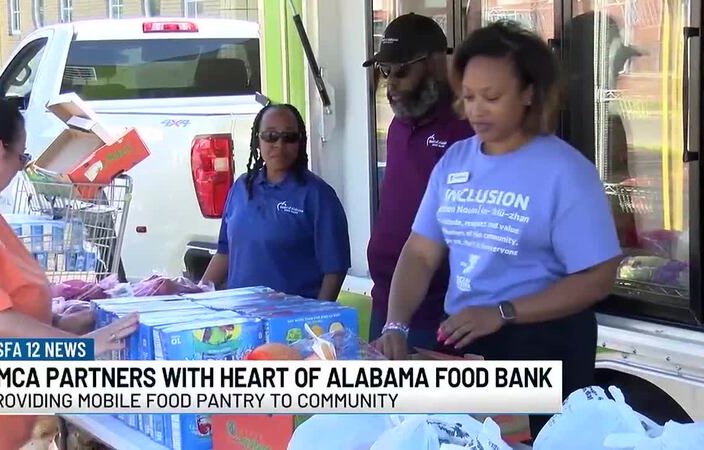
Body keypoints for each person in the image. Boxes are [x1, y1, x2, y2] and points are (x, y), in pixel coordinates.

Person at [374, 22, 622, 437]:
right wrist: (395, 323)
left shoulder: (565, 171)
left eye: (492, 97)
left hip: (543, 348)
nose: (476, 110)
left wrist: (503, 313)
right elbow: (420, 252)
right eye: (468, 96)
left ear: (529, 93)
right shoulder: (455, 161)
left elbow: (598, 277)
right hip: (465, 341)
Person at [0, 82, 139, 450]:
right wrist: (80, 350)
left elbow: (1, 295)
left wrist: (57, 324)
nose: (20, 168)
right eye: (21, 157)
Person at [363, 13, 474, 348]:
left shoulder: (467, 131)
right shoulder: (399, 126)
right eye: (385, 72)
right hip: (386, 304)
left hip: (441, 315)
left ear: (437, 64)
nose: (390, 84)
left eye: (401, 71)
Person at [201, 103, 351, 301]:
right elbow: (224, 253)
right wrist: (197, 297)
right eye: (271, 136)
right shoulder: (241, 188)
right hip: (240, 320)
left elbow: (335, 269)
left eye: (289, 137)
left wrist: (318, 316)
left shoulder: (318, 196)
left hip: (291, 326)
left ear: (300, 142)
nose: (279, 145)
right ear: (258, 140)